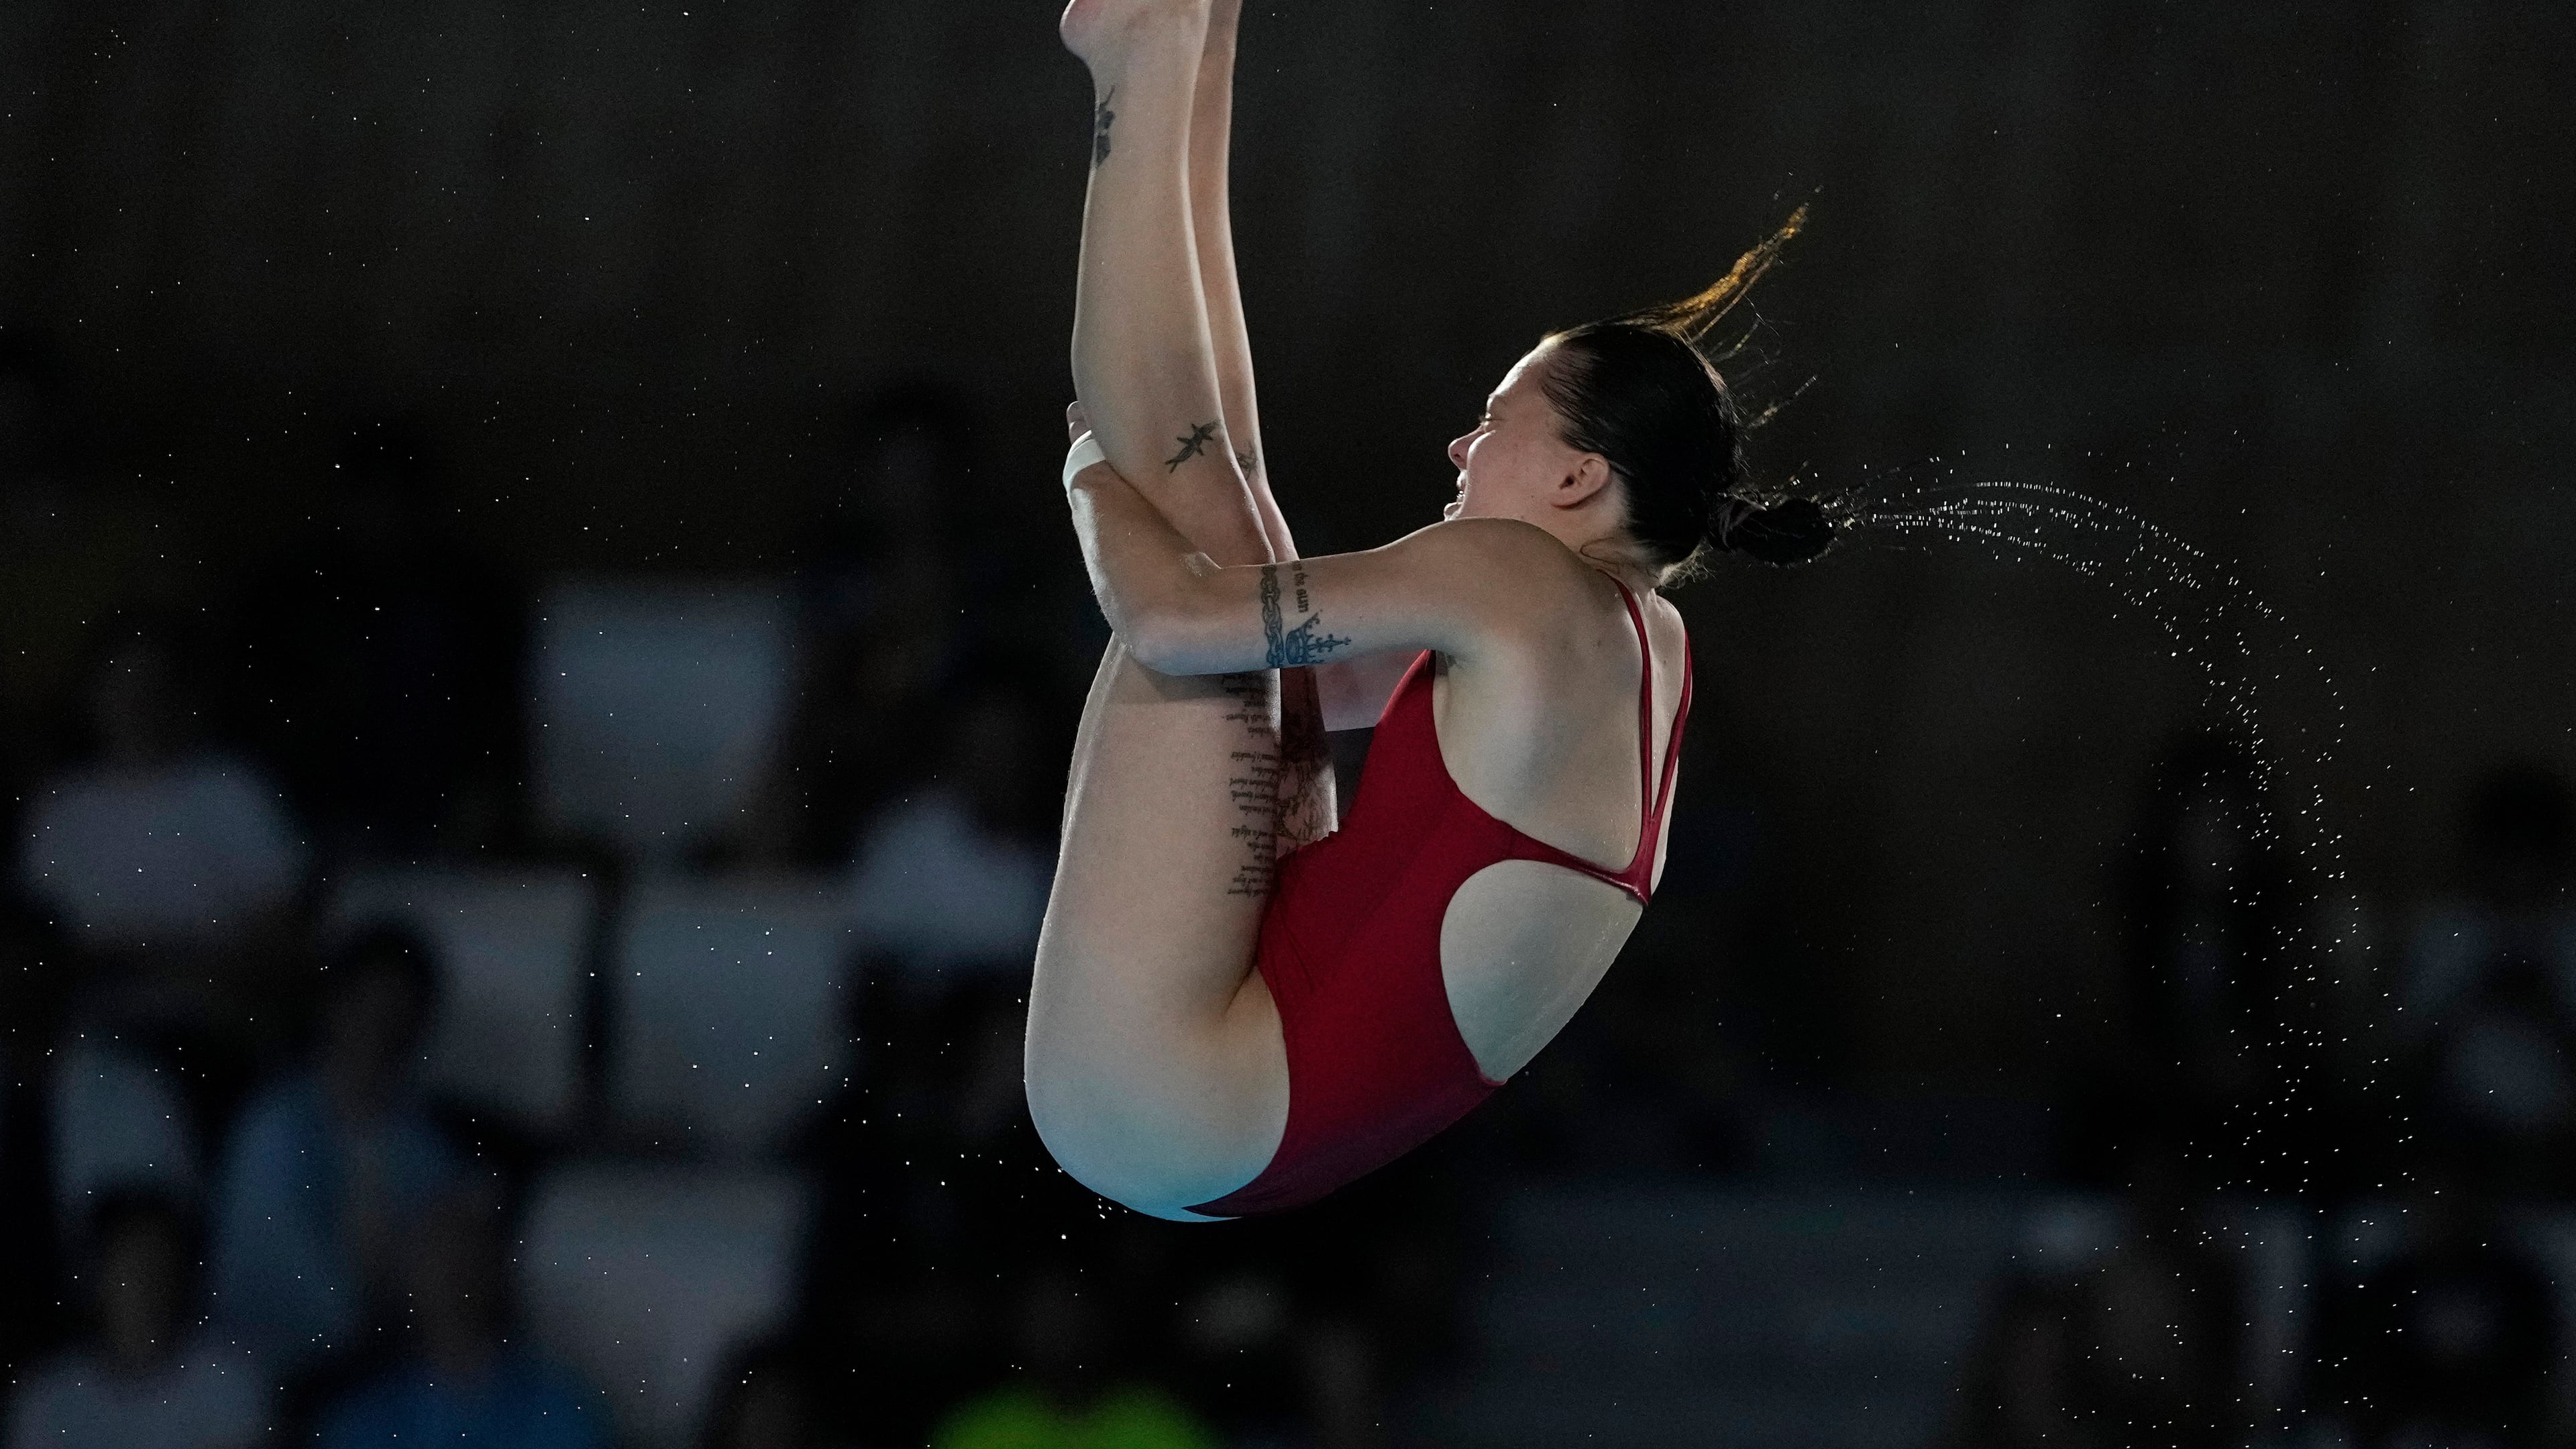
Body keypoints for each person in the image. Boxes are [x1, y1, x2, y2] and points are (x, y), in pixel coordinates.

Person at [1022, 0, 1835, 1220]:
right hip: (1205, 1141)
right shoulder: (1640, 649)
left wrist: (1090, 472)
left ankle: (1152, 55)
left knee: (1194, 523)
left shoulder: (1525, 579)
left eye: (1495, 422)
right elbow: (1263, 638)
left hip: (1162, 1088)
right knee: (1230, 521)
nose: (1462, 445)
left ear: (1577, 477)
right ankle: (1188, 38)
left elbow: (1171, 621)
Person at [207, 923, 462, 1373]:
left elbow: (442, 1276)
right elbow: (272, 1266)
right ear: (335, 1008)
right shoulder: (273, 1125)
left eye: (402, 1019)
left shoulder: (429, 1152)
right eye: (370, 1010)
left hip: (391, 1378)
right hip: (274, 1368)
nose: (383, 1035)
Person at [309, 1185, 604, 1449]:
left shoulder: (558, 1409)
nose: (453, 1277)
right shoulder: (362, 1422)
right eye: (435, 1259)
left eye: (465, 1255)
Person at [4, 1191, 268, 1449]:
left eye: (157, 1266)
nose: (145, 1285)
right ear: (97, 1279)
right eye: (130, 1269)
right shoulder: (47, 1401)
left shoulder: (227, 1385)